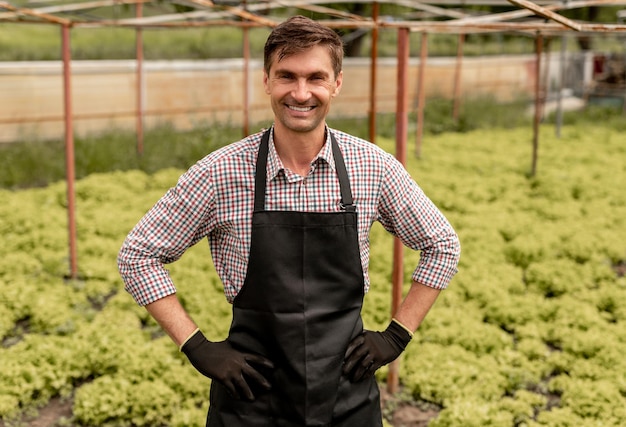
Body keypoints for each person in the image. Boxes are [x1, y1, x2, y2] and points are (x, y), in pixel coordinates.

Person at [118, 15, 460, 427]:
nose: (301, 93)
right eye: (286, 76)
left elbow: (442, 245)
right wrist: (197, 346)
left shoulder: (372, 167)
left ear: (336, 83)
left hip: (346, 397)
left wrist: (396, 336)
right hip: (251, 401)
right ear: (267, 81)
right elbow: (138, 255)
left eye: (316, 77)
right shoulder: (221, 172)